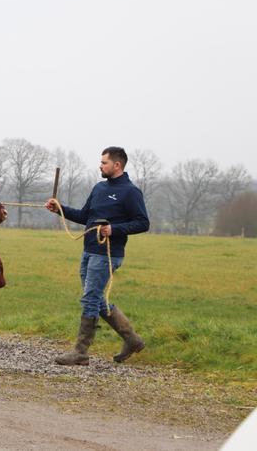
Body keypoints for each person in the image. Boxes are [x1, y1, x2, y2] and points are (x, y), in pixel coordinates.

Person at [45, 146, 149, 366]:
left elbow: (143, 223)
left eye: (104, 163)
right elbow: (85, 216)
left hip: (108, 255)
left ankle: (80, 353)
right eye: (101, 162)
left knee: (90, 299)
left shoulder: (131, 192)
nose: (100, 166)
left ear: (117, 165)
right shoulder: (99, 188)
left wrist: (114, 229)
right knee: (96, 299)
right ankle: (132, 340)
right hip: (89, 250)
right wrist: (59, 209)